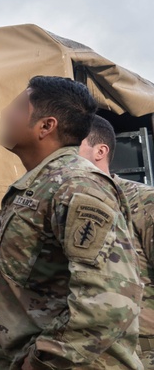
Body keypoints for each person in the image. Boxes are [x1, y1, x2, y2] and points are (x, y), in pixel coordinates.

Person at [0, 76, 143, 370]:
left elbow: (110, 301)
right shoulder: (42, 185)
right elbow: (36, 285)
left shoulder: (76, 187)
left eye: (18, 106)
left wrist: (40, 362)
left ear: (46, 126)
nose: (5, 114)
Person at [79, 115, 154, 369]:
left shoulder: (144, 202)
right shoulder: (63, 207)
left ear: (101, 151)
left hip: (142, 352)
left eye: (72, 147)